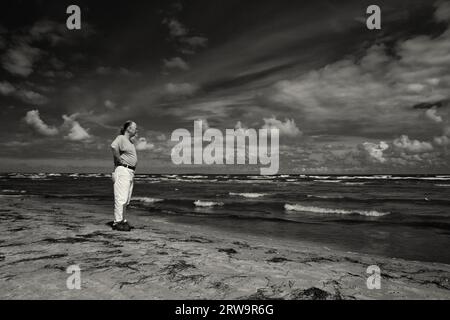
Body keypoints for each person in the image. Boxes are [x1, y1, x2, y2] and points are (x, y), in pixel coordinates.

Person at [110, 120, 138, 231]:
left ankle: (123, 221)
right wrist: (118, 160)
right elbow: (113, 147)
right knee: (121, 198)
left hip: (129, 172)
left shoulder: (130, 142)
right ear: (129, 129)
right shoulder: (121, 138)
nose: (136, 130)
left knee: (126, 199)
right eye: (135, 128)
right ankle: (117, 222)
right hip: (123, 170)